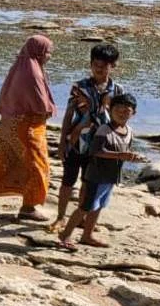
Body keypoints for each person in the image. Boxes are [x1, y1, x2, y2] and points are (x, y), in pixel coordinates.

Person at [0, 35, 56, 221]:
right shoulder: (32, 72)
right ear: (39, 51)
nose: (49, 56)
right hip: (26, 128)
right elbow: (40, 106)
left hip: (8, 125)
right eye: (48, 52)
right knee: (37, 166)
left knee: (4, 163)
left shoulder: (19, 68)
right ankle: (28, 206)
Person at [50, 43, 124, 231]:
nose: (99, 68)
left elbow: (120, 118)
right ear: (90, 64)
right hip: (76, 141)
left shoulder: (117, 91)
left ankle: (81, 217)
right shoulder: (79, 87)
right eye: (95, 64)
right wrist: (61, 142)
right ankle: (60, 217)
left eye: (104, 65)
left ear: (113, 66)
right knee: (68, 180)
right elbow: (68, 115)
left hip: (100, 144)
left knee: (88, 181)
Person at [58, 93, 143, 250]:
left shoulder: (129, 131)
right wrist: (120, 155)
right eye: (118, 109)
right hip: (96, 176)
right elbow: (94, 151)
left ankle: (87, 235)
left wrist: (132, 157)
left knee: (99, 206)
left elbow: (125, 150)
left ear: (133, 113)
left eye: (127, 111)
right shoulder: (104, 129)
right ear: (110, 110)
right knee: (85, 206)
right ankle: (66, 234)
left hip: (110, 177)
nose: (122, 113)